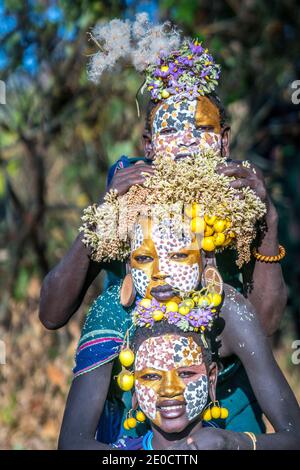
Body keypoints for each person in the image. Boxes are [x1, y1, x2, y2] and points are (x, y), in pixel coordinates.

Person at [40, 18, 287, 435]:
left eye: (202, 129)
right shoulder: (128, 190)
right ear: (148, 144)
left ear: (224, 142)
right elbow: (51, 312)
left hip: (223, 405)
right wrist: (103, 215)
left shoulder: (242, 196)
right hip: (140, 409)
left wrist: (269, 222)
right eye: (170, 129)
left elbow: (262, 327)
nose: (187, 140)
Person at [58, 214, 300, 450]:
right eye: (144, 257)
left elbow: (293, 435)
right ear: (128, 263)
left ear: (205, 258)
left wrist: (233, 443)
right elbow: (72, 441)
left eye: (179, 255)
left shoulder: (227, 307)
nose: (160, 271)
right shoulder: (112, 310)